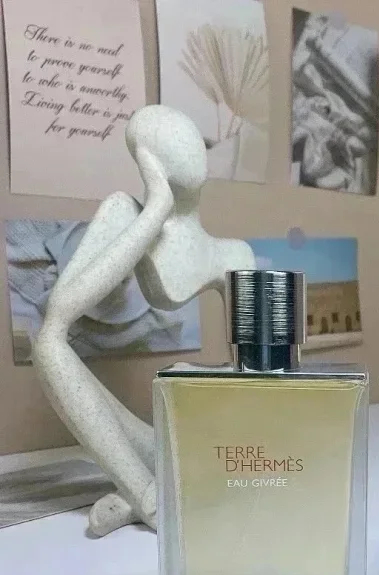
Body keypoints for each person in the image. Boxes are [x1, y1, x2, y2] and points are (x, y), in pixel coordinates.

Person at [32, 106, 255, 537]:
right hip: (156, 447)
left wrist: (196, 378)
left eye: (189, 137)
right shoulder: (126, 213)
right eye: (162, 140)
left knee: (205, 425)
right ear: (146, 159)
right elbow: (60, 313)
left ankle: (142, 494)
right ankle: (148, 496)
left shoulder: (233, 255)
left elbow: (255, 379)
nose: (186, 148)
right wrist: (156, 209)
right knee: (47, 345)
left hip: (206, 444)